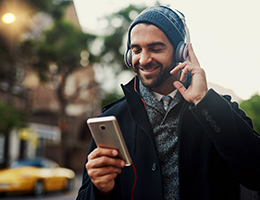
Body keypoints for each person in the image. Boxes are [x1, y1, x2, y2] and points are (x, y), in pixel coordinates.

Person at [76, 5, 260, 200]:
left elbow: (256, 174)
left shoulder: (216, 110)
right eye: (136, 50)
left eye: (155, 49)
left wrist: (202, 100)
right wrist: (100, 190)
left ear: (181, 52)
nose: (144, 60)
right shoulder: (113, 119)